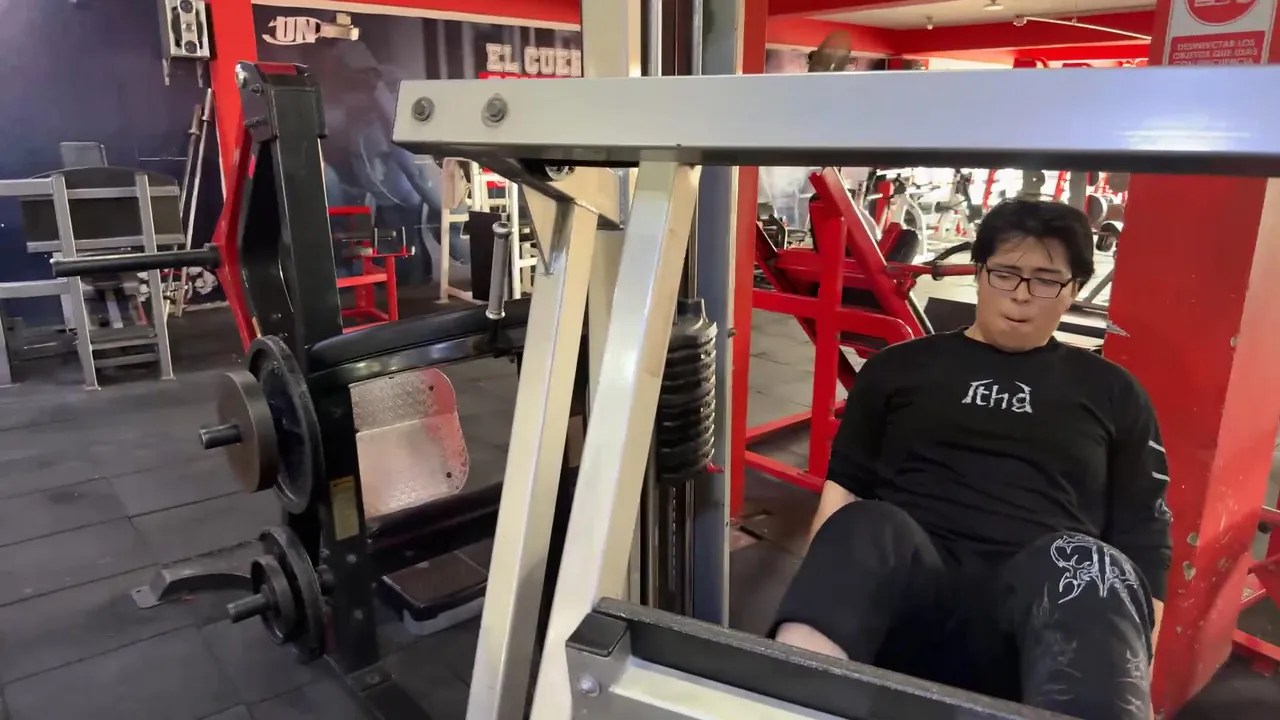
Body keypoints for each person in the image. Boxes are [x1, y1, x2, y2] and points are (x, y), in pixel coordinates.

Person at [771, 198, 1172, 720]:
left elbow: (1144, 535)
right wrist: (815, 594)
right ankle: (784, 700)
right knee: (864, 523)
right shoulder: (897, 368)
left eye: (1046, 280)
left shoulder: (1114, 392)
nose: (1021, 294)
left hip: (1042, 614)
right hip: (912, 591)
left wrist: (1138, 664)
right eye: (1006, 273)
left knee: (1093, 564)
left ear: (1073, 289)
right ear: (980, 273)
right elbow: (842, 490)